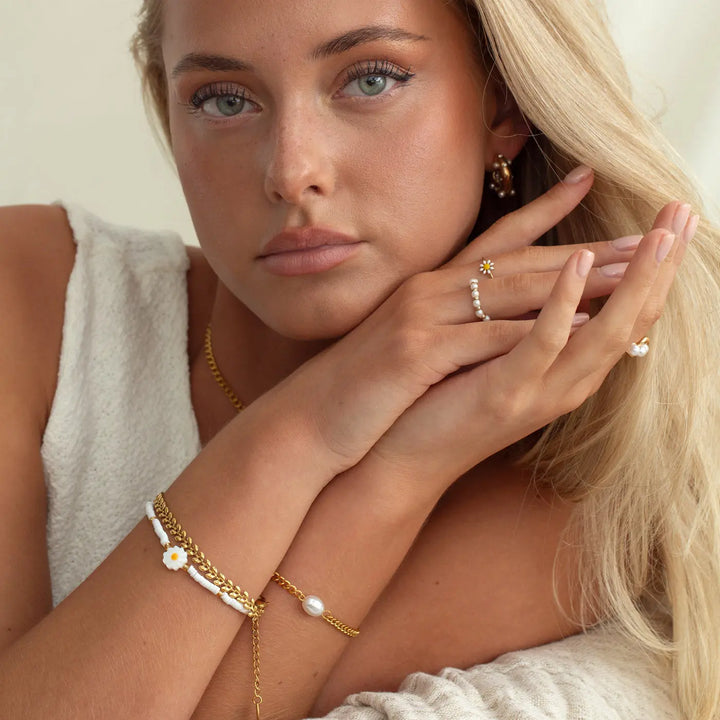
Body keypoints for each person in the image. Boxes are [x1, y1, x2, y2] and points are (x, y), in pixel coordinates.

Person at [0, 0, 718, 718]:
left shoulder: (577, 493)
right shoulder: (33, 292)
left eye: (371, 80)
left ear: (502, 107)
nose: (291, 172)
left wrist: (401, 470)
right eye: (223, 99)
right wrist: (311, 422)